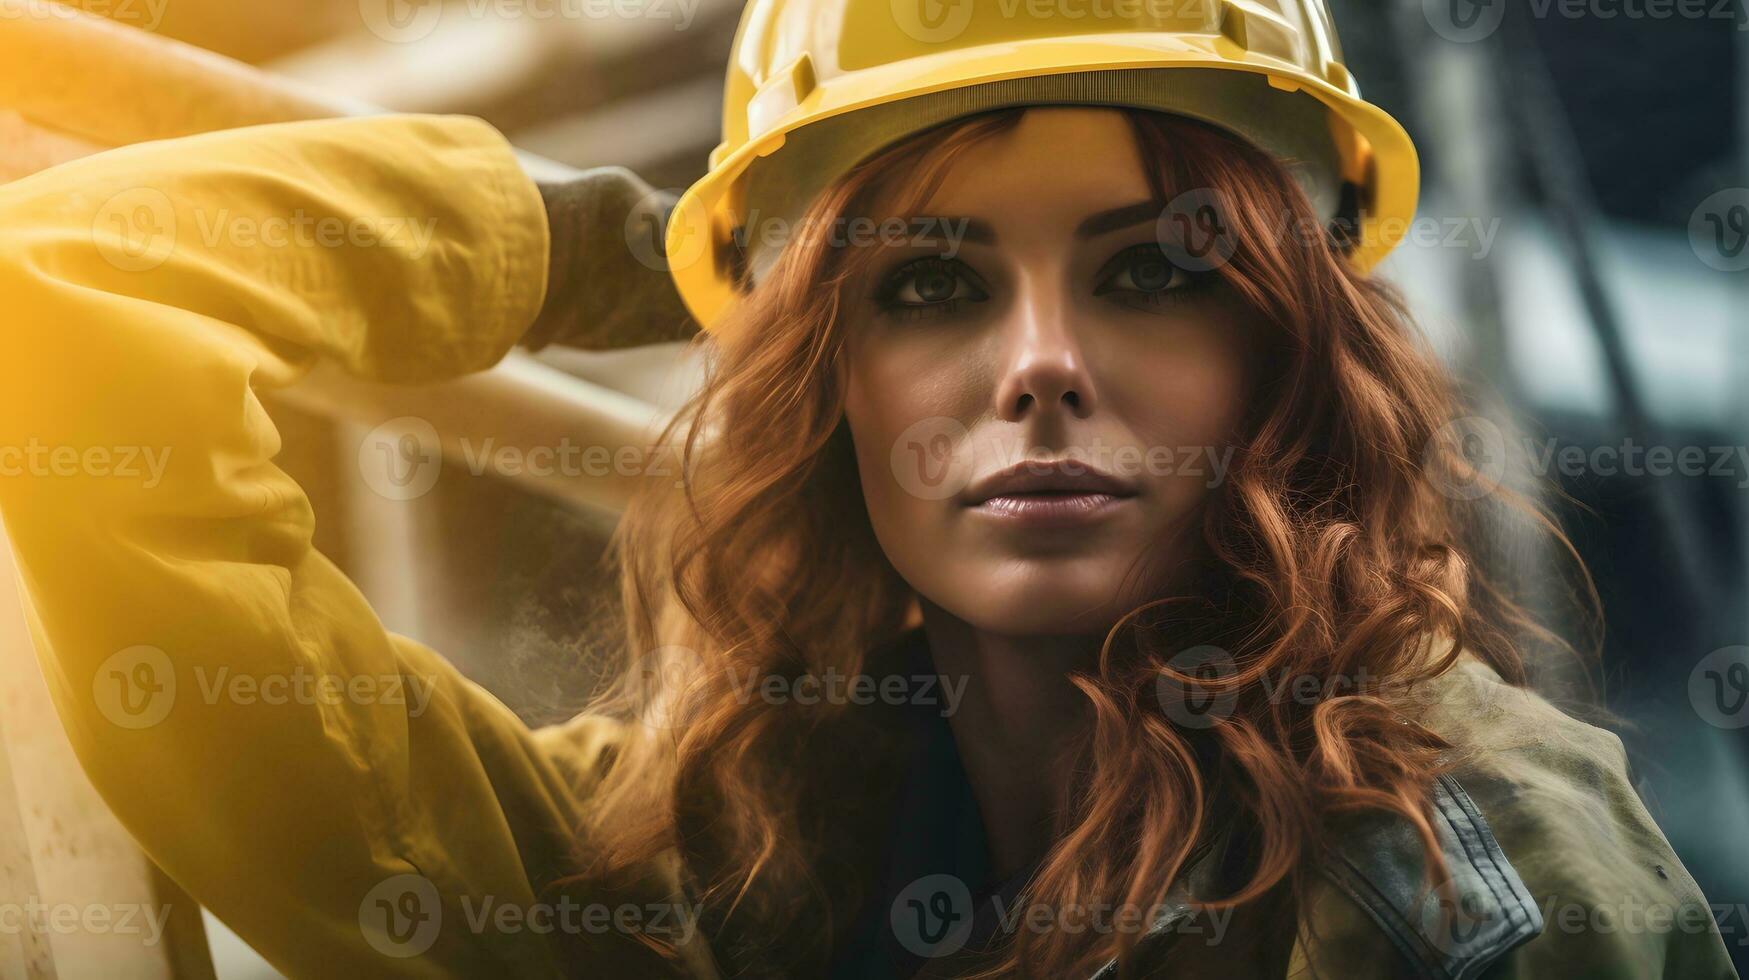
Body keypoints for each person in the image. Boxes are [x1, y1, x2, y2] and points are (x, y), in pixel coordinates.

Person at [0, 1, 1737, 978]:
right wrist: (625, 250)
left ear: (1284, 359)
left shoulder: (1470, 889)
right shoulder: (703, 859)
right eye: (923, 285)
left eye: (1149, 274)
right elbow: (66, 298)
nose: (1038, 361)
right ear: (812, 372)